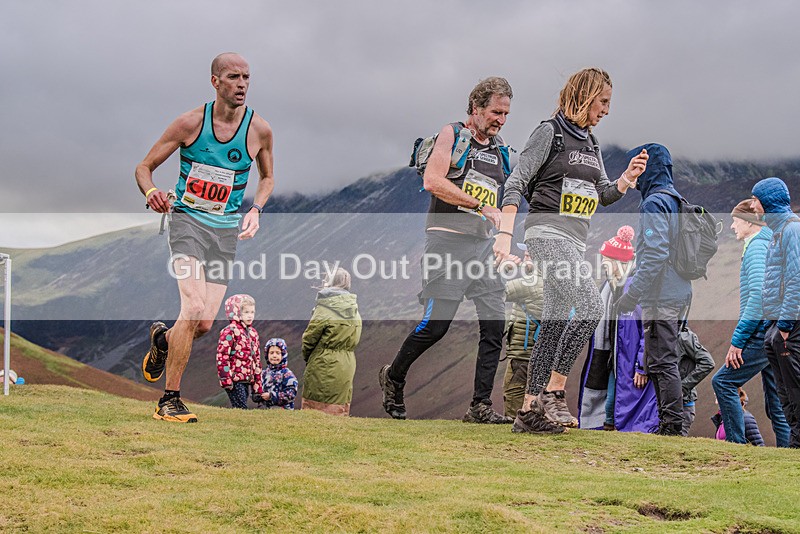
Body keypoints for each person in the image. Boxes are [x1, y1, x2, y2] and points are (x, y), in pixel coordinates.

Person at [495, 67, 648, 434]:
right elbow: (516, 181)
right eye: (604, 101)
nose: (607, 110)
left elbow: (603, 194)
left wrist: (626, 179)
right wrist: (504, 234)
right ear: (585, 95)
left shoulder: (591, 143)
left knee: (556, 319)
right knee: (592, 306)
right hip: (546, 234)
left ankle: (528, 411)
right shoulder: (549, 132)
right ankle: (555, 391)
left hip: (575, 242)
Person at [135, 53, 275, 423]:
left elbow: (268, 178)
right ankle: (169, 400)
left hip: (225, 230)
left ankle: (162, 341)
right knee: (192, 307)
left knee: (203, 324)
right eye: (233, 77)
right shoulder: (190, 124)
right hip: (187, 223)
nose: (242, 84)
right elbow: (144, 168)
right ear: (215, 81)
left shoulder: (259, 130)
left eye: (247, 77)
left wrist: (256, 209)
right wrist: (152, 194)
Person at [379, 77, 516, 424]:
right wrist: (479, 206)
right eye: (495, 112)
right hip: (447, 241)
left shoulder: (500, 151)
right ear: (476, 107)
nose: (500, 120)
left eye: (506, 114)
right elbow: (433, 181)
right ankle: (393, 376)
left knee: (495, 323)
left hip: (481, 247)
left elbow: (508, 197)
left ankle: (480, 406)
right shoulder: (452, 134)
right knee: (436, 326)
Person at [615, 143, 691, 436]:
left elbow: (655, 253)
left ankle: (672, 427)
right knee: (660, 358)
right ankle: (668, 424)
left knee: (661, 361)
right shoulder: (675, 198)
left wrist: (632, 295)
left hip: (662, 293)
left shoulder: (654, 203)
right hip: (679, 289)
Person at [711, 200, 790, 446]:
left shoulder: (756, 247)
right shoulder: (770, 242)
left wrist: (738, 340)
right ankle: (789, 454)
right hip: (775, 330)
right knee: (776, 401)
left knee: (723, 382)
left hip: (760, 331)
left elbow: (757, 295)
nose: (733, 226)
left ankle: (736, 445)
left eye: (735, 220)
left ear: (748, 221)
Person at [579, 226, 659, 433]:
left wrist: (642, 365)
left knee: (618, 400)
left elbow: (648, 330)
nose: (603, 264)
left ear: (618, 262)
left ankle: (613, 430)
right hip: (615, 358)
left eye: (607, 260)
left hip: (629, 361)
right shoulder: (610, 287)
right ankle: (607, 427)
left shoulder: (634, 290)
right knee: (612, 399)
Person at [751, 177, 800, 448]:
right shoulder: (778, 231)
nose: (753, 205)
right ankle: (795, 441)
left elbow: (796, 280)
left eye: (757, 199)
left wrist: (784, 325)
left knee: (794, 385)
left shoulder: (792, 231)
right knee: (784, 389)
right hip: (778, 324)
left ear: (768, 200)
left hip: (789, 326)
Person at [302, 268, 362, 416]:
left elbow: (309, 338)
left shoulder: (324, 309)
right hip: (347, 364)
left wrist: (310, 357)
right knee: (339, 410)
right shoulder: (354, 310)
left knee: (315, 411)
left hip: (323, 363)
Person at [502, 246, 544, 418]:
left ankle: (515, 430)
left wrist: (501, 267)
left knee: (513, 395)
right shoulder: (549, 281)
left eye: (529, 256)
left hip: (522, 354)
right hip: (533, 353)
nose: (524, 258)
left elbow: (496, 291)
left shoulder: (531, 283)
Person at [216, 294, 263, 409]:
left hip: (247, 379)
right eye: (246, 312)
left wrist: (257, 387)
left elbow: (256, 360)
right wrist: (226, 379)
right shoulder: (229, 332)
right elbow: (222, 356)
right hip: (234, 379)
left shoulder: (253, 333)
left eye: (252, 312)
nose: (250, 316)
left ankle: (239, 423)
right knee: (241, 407)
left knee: (241, 407)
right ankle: (242, 425)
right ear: (236, 312)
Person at [676, 326, 715, 436]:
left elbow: (708, 363)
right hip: (664, 404)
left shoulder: (684, 337)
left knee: (674, 447)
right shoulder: (660, 335)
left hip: (683, 405)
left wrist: (682, 387)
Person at [257, 338, 298, 410]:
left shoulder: (287, 374)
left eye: (278, 353)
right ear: (267, 355)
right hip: (264, 411)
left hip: (283, 410)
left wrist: (271, 396)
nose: (274, 356)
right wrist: (257, 396)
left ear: (283, 355)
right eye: (271, 353)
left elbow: (291, 394)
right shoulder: (263, 373)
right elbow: (258, 388)